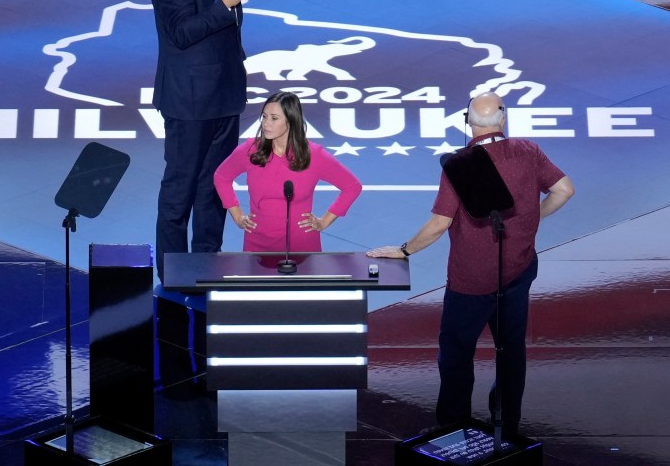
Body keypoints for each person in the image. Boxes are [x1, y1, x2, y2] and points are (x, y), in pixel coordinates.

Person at [366, 92, 574, 435]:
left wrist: (404, 251)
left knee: (456, 353)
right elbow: (564, 190)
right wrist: (531, 219)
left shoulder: (461, 166)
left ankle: (454, 424)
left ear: (467, 123)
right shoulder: (529, 151)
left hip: (470, 281)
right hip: (518, 270)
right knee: (511, 349)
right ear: (503, 119)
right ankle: (507, 423)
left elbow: (438, 224)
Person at [151, 0, 251, 280]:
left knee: (215, 185)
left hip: (223, 96)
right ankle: (174, 272)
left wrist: (229, 1)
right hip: (189, 102)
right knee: (180, 191)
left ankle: (207, 263)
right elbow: (180, 33)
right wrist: (224, 4)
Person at [214, 91, 362, 252]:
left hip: (302, 246)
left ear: (291, 121)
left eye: (274, 118)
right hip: (257, 244)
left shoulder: (313, 155)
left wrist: (324, 221)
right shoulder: (251, 150)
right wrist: (237, 216)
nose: (266, 123)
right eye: (264, 116)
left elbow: (352, 186)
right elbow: (221, 177)